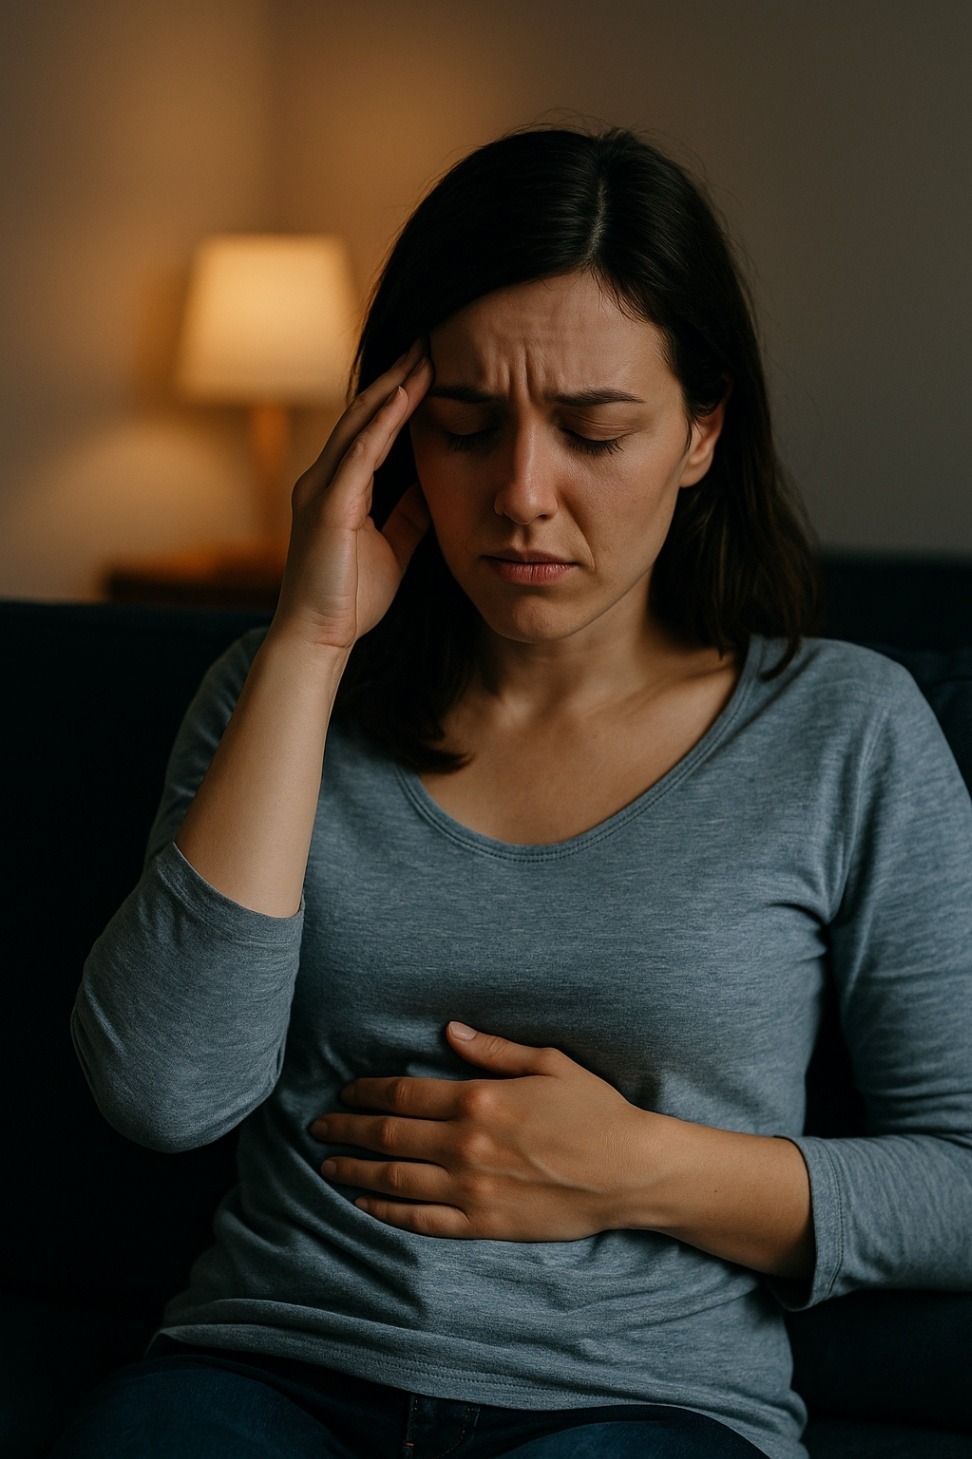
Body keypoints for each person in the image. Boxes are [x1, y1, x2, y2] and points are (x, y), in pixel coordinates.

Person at [58, 124, 972, 1459]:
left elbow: (962, 1179)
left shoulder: (845, 730)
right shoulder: (282, 691)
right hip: (269, 1369)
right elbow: (163, 1093)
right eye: (466, 427)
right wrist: (311, 642)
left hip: (642, 1407)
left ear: (702, 431)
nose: (522, 496)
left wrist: (635, 1168)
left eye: (594, 432)